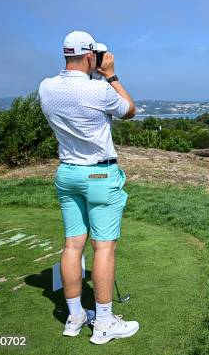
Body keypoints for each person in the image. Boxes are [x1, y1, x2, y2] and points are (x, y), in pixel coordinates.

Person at [38, 31, 139, 344]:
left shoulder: (46, 86)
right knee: (104, 246)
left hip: (67, 174)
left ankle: (75, 316)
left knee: (72, 245)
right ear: (90, 56)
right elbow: (129, 109)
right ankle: (105, 324)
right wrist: (111, 75)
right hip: (98, 176)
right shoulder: (99, 89)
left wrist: (98, 74)